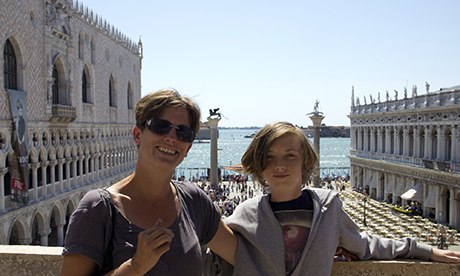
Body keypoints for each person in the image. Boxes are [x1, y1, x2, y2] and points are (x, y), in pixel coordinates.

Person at [224, 121, 460, 275]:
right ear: (258, 165)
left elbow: (366, 245)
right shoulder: (244, 214)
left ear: (306, 162)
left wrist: (423, 250)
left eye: (290, 156)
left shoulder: (328, 208)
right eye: (269, 157)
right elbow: (205, 243)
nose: (279, 165)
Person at [61, 88, 236, 275]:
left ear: (188, 147)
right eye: (160, 126)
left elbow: (243, 254)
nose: (171, 138)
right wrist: (136, 266)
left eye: (183, 133)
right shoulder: (98, 208)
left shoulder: (195, 201)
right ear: (137, 135)